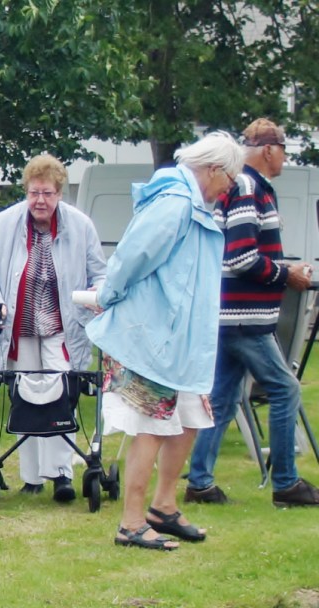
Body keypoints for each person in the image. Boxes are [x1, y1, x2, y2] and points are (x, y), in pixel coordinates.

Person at [86, 131, 244, 550]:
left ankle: (163, 507)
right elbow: (132, 258)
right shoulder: (173, 203)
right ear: (213, 169)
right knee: (152, 425)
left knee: (190, 418)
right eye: (230, 179)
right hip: (153, 338)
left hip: (184, 343)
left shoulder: (192, 205)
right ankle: (131, 523)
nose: (229, 189)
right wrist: (107, 296)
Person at [187, 119, 319, 507]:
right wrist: (286, 274)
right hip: (245, 317)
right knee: (285, 388)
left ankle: (200, 483)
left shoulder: (241, 186)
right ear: (268, 150)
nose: (285, 158)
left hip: (229, 313)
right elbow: (241, 256)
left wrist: (282, 267)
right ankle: (286, 484)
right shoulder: (248, 188)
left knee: (223, 398)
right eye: (284, 150)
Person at [0, 154, 107, 502]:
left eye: (47, 193)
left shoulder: (81, 225)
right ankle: (31, 477)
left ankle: (61, 474)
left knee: (61, 397)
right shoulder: (2, 224)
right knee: (25, 398)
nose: (40, 200)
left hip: (63, 328)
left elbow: (100, 273)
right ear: (26, 192)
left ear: (59, 193)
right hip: (17, 328)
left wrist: (96, 293)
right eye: (34, 193)